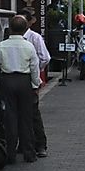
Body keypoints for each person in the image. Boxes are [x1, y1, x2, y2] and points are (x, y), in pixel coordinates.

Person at [0, 15, 41, 163]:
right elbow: (34, 67)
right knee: (26, 118)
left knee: (10, 118)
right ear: (24, 29)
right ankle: (29, 153)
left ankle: (10, 154)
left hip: (7, 81)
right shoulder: (29, 46)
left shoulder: (2, 45)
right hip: (24, 82)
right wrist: (36, 84)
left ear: (10, 28)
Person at [21, 10, 51, 158]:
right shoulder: (9, 38)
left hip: (32, 78)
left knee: (33, 113)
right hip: (16, 81)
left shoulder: (35, 38)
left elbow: (45, 58)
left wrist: (36, 72)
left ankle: (40, 144)